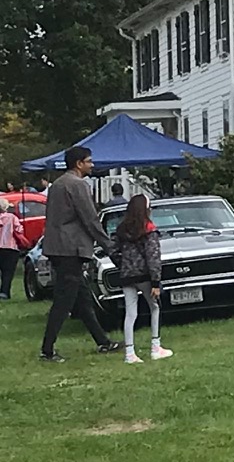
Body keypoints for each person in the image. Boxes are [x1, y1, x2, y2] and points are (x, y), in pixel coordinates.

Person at [39, 146, 121, 362]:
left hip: (57, 248)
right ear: (78, 164)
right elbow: (90, 219)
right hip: (70, 249)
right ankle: (47, 350)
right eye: (89, 161)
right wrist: (109, 246)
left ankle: (103, 342)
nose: (92, 165)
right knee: (64, 301)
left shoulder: (57, 184)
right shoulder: (77, 185)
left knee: (83, 299)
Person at [109, 194, 173, 364]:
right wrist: (155, 281)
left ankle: (130, 353)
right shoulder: (149, 229)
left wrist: (122, 265)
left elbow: (113, 251)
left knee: (130, 313)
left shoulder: (121, 229)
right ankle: (155, 347)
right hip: (145, 275)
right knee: (155, 307)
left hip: (127, 275)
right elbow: (153, 257)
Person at [0, 197, 23, 300]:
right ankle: (5, 292)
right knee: (8, 272)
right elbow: (19, 230)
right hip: (10, 248)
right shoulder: (12, 217)